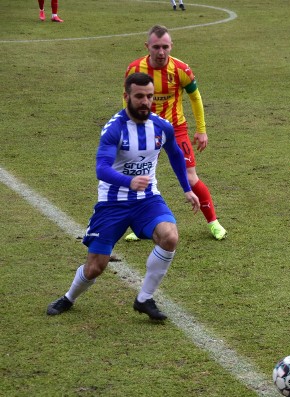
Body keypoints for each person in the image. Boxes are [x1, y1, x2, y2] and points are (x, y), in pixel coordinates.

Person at [46, 73, 200, 321]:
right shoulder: (114, 129)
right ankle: (69, 297)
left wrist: (187, 188)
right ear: (126, 96)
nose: (145, 102)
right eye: (139, 96)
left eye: (149, 96)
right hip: (112, 203)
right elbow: (102, 168)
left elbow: (174, 155)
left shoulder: (162, 127)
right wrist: (129, 181)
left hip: (147, 200)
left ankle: (144, 299)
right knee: (96, 267)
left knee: (170, 236)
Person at [124, 25, 226, 241]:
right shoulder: (135, 69)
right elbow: (127, 99)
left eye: (165, 47)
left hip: (175, 130)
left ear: (171, 47)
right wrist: (128, 126)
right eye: (156, 47)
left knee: (190, 177)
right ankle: (139, 225)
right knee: (141, 176)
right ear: (147, 47)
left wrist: (201, 130)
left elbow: (195, 97)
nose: (161, 52)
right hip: (146, 129)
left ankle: (213, 222)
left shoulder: (181, 69)